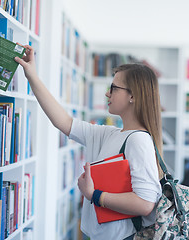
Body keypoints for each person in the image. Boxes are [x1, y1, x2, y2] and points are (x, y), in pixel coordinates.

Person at [15, 46, 163, 240]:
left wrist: (94, 194)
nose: (107, 94)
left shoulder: (138, 140)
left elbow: (145, 203)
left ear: (133, 96)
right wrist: (32, 76)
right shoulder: (110, 134)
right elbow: (64, 122)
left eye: (114, 88)